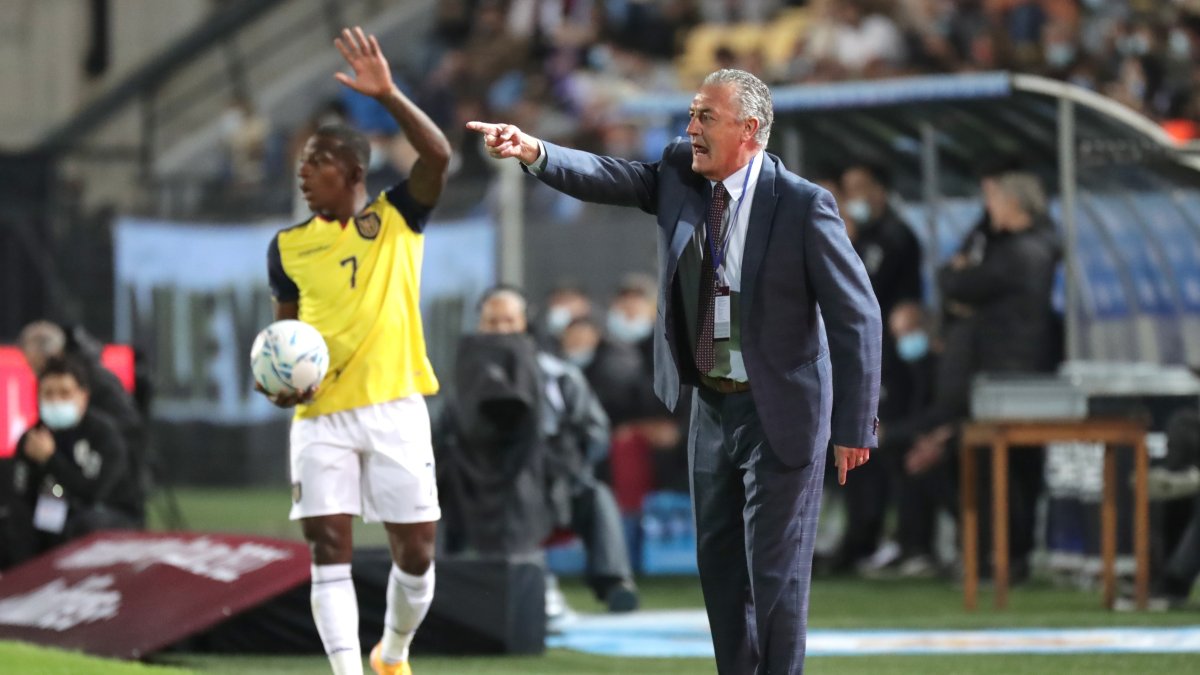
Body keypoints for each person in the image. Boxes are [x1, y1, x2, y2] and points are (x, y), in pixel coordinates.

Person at [467, 68, 881, 674]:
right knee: (718, 567)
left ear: (749, 129)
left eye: (705, 117)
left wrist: (855, 424)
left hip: (783, 407)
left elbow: (857, 316)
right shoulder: (680, 171)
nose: (691, 129)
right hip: (709, 405)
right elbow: (609, 176)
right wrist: (535, 151)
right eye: (691, 115)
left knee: (775, 573)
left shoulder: (802, 204)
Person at [261, 27, 452, 675]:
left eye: (317, 160)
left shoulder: (397, 218)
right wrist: (278, 383)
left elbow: (438, 155)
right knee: (328, 546)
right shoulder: (286, 247)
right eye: (302, 160)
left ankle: (392, 653)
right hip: (321, 415)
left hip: (396, 404)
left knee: (417, 554)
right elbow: (283, 339)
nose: (303, 170)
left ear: (353, 172)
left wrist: (389, 95)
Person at [474, 286, 639, 612]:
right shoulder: (467, 378)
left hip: (555, 483)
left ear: (525, 322)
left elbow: (595, 431)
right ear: (480, 326)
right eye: (493, 322)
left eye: (509, 320)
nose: (502, 330)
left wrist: (571, 462)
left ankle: (614, 582)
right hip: (490, 488)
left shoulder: (558, 375)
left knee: (596, 496)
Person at [7, 357, 144, 566]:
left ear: (83, 396)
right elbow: (22, 494)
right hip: (52, 512)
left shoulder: (103, 435)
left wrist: (51, 459)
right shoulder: (32, 439)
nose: (56, 401)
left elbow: (93, 493)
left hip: (107, 513)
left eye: (65, 393)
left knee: (84, 523)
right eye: (48, 394)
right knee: (15, 523)